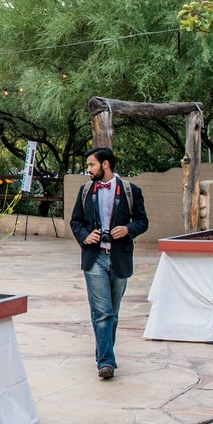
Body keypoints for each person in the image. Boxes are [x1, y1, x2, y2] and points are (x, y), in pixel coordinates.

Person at [68, 145, 148, 380]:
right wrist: (85, 236)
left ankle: (103, 350)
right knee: (102, 312)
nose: (89, 169)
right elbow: (76, 222)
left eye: (92, 164)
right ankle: (106, 362)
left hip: (120, 258)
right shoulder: (85, 191)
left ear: (105, 165)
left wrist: (128, 229)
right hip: (95, 259)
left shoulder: (131, 191)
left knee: (112, 312)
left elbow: (143, 221)